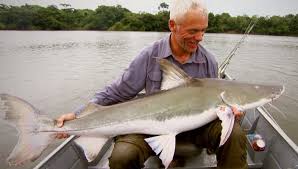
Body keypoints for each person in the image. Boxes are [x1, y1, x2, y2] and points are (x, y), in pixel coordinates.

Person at [56, 0, 247, 168]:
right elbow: (116, 92)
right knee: (123, 156)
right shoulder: (149, 56)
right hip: (150, 127)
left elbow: (217, 104)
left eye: (203, 30)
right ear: (173, 25)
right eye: (193, 31)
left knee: (235, 134)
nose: (200, 37)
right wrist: (78, 114)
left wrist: (233, 113)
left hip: (195, 127)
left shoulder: (208, 61)